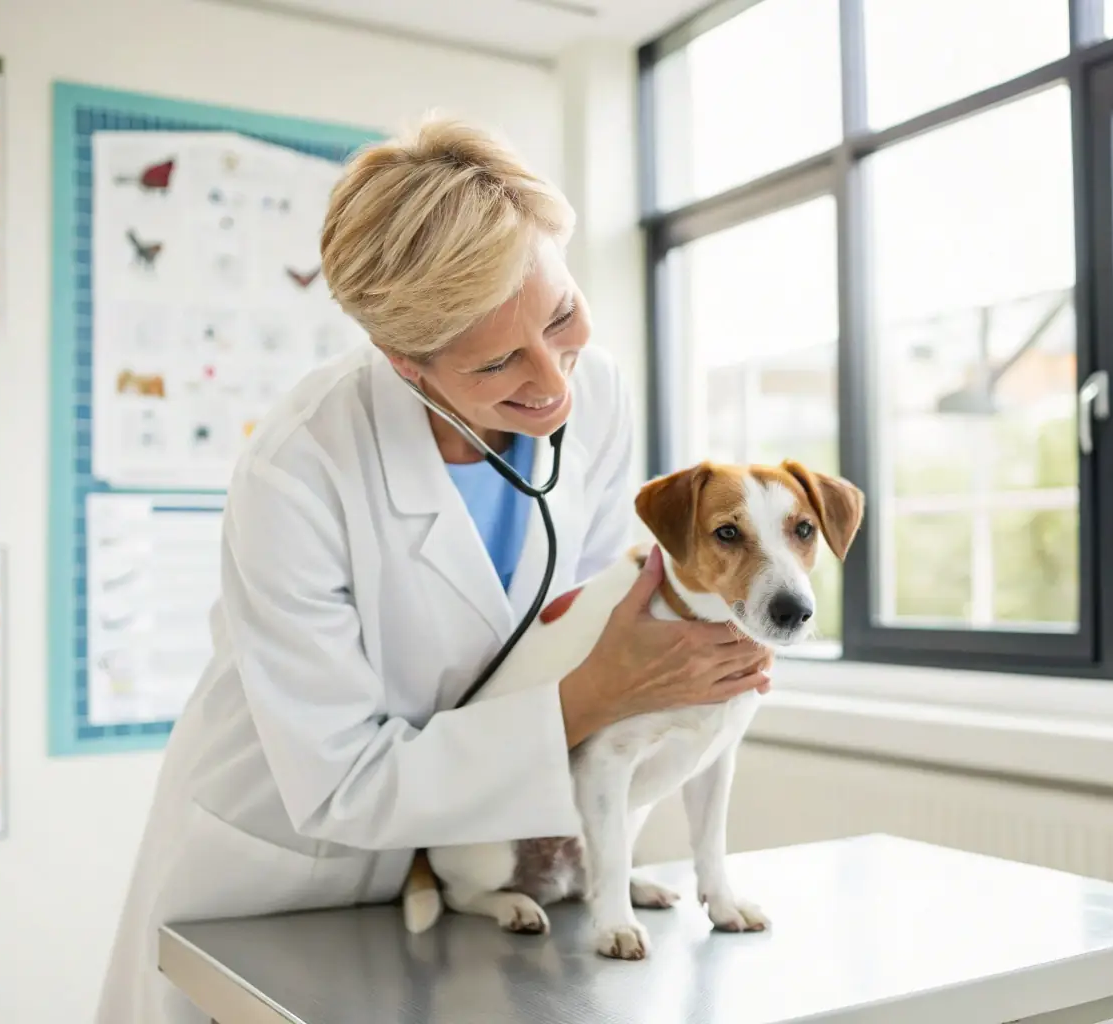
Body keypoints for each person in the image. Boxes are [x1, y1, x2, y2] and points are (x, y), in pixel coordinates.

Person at [94, 116, 773, 1024]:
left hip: (484, 863)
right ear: (405, 361)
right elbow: (340, 780)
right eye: (498, 360)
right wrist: (591, 698)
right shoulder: (299, 470)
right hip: (295, 873)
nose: (555, 384)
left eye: (562, 314)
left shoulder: (595, 393)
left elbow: (588, 614)